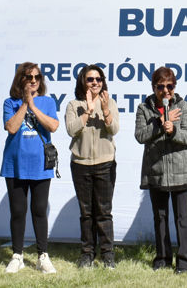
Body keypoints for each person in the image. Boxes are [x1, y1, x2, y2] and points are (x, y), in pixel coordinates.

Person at [135, 66, 187, 274]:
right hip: (156, 172)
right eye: (161, 86)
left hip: (181, 171)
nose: (166, 91)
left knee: (182, 218)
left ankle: (184, 261)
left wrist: (173, 131)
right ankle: (162, 258)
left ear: (175, 86)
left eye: (170, 86)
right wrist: (159, 124)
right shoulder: (144, 108)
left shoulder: (183, 106)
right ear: (154, 87)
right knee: (160, 217)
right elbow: (140, 136)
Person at [1, 62, 59, 274]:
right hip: (15, 165)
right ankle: (17, 256)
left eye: (37, 77)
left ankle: (42, 255)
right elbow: (12, 127)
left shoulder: (48, 102)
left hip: (40, 164)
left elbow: (53, 126)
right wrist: (25, 103)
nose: (33, 80)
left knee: (39, 210)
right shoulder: (10, 102)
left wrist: (33, 105)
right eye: (28, 77)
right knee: (17, 211)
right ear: (20, 80)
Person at [65, 65, 120, 269]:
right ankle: (87, 254)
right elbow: (71, 130)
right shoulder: (73, 104)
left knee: (104, 212)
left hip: (105, 163)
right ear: (83, 81)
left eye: (99, 79)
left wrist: (105, 110)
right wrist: (88, 110)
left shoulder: (110, 102)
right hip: (80, 164)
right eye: (90, 79)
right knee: (86, 213)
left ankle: (108, 255)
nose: (95, 82)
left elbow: (114, 129)